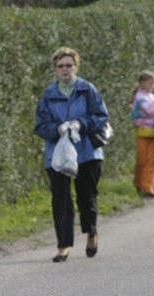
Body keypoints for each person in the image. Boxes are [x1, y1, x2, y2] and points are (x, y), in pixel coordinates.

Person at [34, 47, 109, 263]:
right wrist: (57, 129)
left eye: (69, 65)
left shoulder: (88, 89)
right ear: (55, 69)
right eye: (61, 66)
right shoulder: (48, 95)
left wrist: (81, 124)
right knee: (61, 199)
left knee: (87, 197)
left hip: (87, 152)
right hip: (57, 156)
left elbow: (101, 116)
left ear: (76, 66)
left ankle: (92, 232)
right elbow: (40, 125)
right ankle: (62, 245)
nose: (65, 69)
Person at [130, 70, 154, 198]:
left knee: (150, 161)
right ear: (142, 82)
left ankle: (147, 187)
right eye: (149, 83)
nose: (152, 86)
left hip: (153, 133)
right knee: (142, 161)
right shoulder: (140, 97)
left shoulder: (150, 96)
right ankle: (140, 184)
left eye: (153, 83)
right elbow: (150, 111)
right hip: (143, 133)